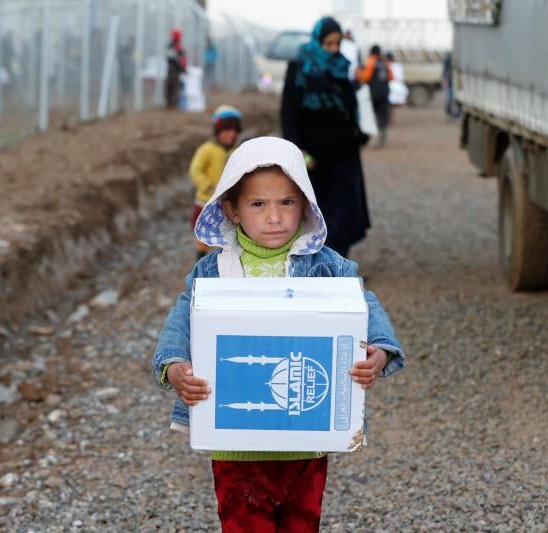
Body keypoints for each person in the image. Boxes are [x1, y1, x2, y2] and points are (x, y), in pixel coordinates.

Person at [152, 136, 406, 532]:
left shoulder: (326, 266)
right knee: (244, 524)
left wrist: (380, 351)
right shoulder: (213, 271)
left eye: (286, 202)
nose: (274, 217)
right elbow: (183, 317)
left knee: (302, 524)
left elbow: (363, 302)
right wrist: (173, 366)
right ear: (232, 209)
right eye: (258, 204)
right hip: (236, 446)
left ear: (305, 204)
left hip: (306, 441)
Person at [280, 16, 371, 258]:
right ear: (317, 41)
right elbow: (289, 112)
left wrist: (359, 132)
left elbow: (350, 107)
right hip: (314, 155)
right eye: (328, 44)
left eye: (337, 44)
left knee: (345, 209)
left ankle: (339, 264)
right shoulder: (299, 68)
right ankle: (316, 262)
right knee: (317, 211)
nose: (333, 49)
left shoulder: (342, 67)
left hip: (344, 151)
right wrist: (297, 149)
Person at [188, 105, 243, 259]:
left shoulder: (237, 151)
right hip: (205, 200)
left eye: (235, 131)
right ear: (218, 131)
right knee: (203, 233)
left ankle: (225, 263)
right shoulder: (207, 149)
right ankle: (201, 261)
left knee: (227, 233)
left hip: (228, 201)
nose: (231, 134)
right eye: (227, 130)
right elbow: (195, 169)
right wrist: (207, 186)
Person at [357, 44, 393, 147]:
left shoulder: (371, 61)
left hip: (374, 93)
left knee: (371, 115)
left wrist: (359, 72)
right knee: (383, 115)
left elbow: (365, 77)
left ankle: (372, 139)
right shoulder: (385, 62)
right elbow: (391, 77)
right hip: (385, 92)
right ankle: (382, 138)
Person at [166, 28, 186, 109]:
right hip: (174, 69)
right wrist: (182, 67)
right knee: (173, 87)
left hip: (173, 69)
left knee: (172, 87)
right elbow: (174, 59)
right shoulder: (173, 46)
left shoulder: (174, 46)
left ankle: (172, 103)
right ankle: (172, 103)